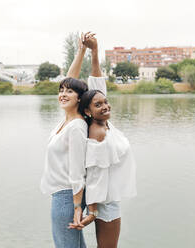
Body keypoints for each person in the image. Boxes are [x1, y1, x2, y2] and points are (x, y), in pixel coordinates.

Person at [69, 34, 137, 248]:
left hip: (109, 199)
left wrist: (95, 51)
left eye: (106, 102)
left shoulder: (104, 123)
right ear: (88, 110)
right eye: (98, 105)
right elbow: (96, 174)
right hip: (105, 204)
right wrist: (94, 210)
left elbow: (97, 85)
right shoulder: (97, 132)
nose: (105, 106)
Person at [40, 32, 99, 248]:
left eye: (69, 92)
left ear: (79, 98)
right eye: (61, 90)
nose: (63, 94)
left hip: (67, 196)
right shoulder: (65, 122)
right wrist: (81, 51)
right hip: (62, 195)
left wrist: (76, 207)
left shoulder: (76, 126)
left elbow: (77, 172)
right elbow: (70, 79)